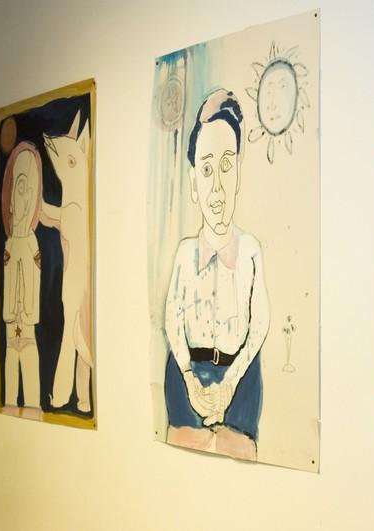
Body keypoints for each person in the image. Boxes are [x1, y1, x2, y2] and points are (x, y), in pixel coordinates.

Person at [164, 89, 270, 461]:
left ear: (239, 171)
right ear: (193, 182)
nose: (218, 187)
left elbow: (259, 324)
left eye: (227, 166)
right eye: (207, 170)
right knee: (182, 461)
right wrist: (189, 379)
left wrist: (231, 382)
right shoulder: (185, 254)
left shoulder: (251, 250)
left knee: (240, 462)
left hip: (240, 376)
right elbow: (173, 320)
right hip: (187, 374)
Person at [1, 142, 43, 419]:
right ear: (10, 196)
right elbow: (8, 278)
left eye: (31, 190)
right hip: (11, 325)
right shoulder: (9, 243)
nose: (25, 199)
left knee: (29, 361)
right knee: (9, 390)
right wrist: (10, 313)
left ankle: (33, 405)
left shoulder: (31, 242)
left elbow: (35, 279)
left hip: (26, 325)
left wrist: (27, 312)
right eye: (20, 188)